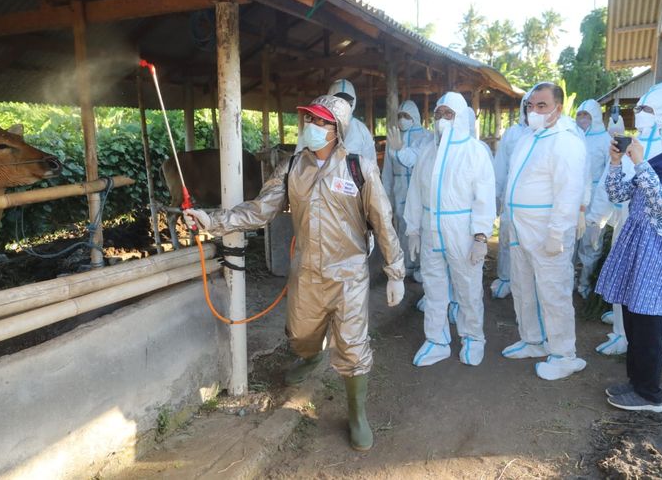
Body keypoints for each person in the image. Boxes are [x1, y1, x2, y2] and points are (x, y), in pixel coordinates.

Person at [183, 95, 405, 451]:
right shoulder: (291, 168)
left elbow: (382, 221)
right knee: (301, 334)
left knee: (351, 345)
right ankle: (313, 355)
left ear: (337, 130)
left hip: (348, 275)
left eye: (320, 122)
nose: (311, 128)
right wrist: (214, 220)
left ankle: (357, 413)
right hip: (305, 272)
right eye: (308, 120)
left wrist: (395, 271)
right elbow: (259, 210)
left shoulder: (358, 168)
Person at [501, 82, 588, 381]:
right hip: (520, 227)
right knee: (523, 287)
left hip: (546, 230)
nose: (534, 111)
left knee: (553, 292)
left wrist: (556, 233)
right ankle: (533, 339)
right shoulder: (530, 137)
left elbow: (569, 192)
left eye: (542, 106)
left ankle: (565, 354)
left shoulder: (566, 141)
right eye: (531, 106)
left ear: (558, 108)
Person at [595, 111, 662, 413]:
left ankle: (650, 395)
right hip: (636, 247)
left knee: (649, 325)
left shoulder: (655, 166)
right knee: (632, 317)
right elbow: (619, 193)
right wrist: (617, 163)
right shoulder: (658, 164)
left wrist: (640, 163)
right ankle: (636, 383)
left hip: (659, 254)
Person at [404, 92, 496, 366]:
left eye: (448, 114)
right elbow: (415, 193)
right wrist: (412, 229)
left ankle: (473, 338)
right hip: (432, 229)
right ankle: (437, 340)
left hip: (462, 231)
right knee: (434, 289)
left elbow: (485, 197)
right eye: (438, 114)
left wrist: (481, 236)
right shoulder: (427, 152)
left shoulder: (474, 150)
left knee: (468, 288)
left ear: (459, 117)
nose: (442, 119)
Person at [382, 100, 434, 278]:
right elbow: (387, 171)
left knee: (421, 228)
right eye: (400, 116)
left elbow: (419, 160)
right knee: (402, 229)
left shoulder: (427, 137)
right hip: (399, 190)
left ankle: (422, 267)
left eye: (407, 116)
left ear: (415, 117)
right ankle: (406, 265)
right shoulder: (393, 138)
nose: (402, 120)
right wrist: (386, 194)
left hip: (419, 190)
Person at [491, 92, 530, 299]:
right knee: (506, 238)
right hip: (510, 196)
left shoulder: (550, 135)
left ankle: (527, 284)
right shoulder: (512, 134)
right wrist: (496, 197)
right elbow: (500, 166)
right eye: (528, 106)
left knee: (530, 244)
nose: (531, 111)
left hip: (535, 203)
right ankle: (505, 277)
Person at [575, 99, 611, 299]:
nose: (582, 119)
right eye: (580, 115)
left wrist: (600, 207)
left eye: (587, 115)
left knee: (591, 242)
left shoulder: (605, 140)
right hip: (574, 197)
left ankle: (585, 283)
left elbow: (609, 172)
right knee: (569, 242)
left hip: (596, 197)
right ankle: (567, 280)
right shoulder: (573, 137)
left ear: (595, 117)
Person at [327, 78, 377, 161]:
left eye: (347, 100)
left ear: (354, 101)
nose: (343, 104)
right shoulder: (319, 126)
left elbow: (370, 161)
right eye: (338, 99)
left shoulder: (362, 130)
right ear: (329, 99)